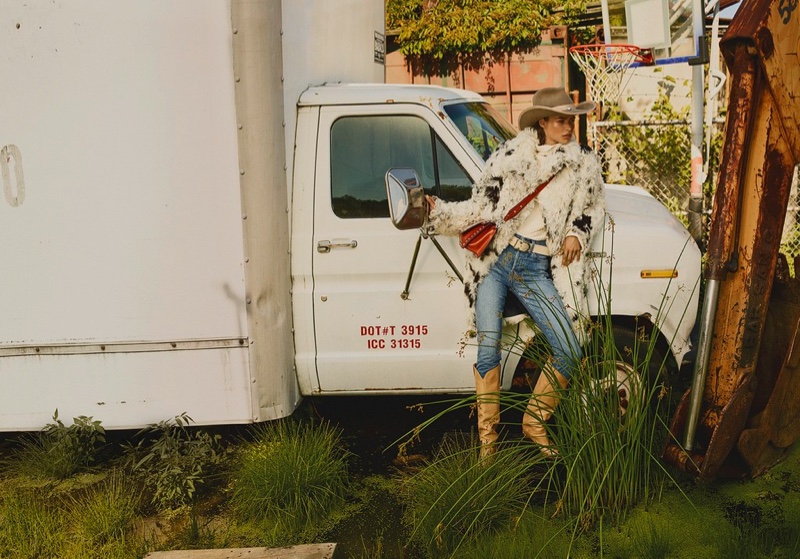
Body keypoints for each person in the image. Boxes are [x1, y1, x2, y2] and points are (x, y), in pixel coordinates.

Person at [425, 88, 605, 457]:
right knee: (488, 348)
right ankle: (487, 446)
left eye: (571, 120)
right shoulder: (509, 156)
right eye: (560, 120)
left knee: (570, 347)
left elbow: (592, 206)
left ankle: (534, 423)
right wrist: (436, 211)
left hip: (536, 268)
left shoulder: (583, 163)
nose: (569, 126)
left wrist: (575, 233)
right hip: (496, 262)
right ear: (542, 122)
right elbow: (481, 207)